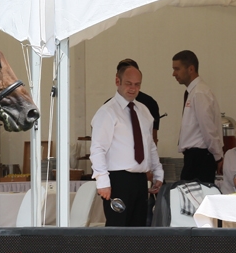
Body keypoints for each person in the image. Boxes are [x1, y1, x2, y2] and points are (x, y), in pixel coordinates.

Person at [90, 63, 164, 226]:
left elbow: (149, 145)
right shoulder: (107, 111)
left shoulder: (144, 111)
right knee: (117, 228)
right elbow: (98, 148)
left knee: (138, 228)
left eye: (137, 84)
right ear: (118, 81)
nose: (133, 88)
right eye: (128, 83)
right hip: (118, 179)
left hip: (139, 179)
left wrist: (158, 172)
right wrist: (102, 181)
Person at [172, 50, 223, 183]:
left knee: (194, 200)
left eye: (177, 69)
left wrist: (218, 157)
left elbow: (208, 128)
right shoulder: (194, 92)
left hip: (200, 157)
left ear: (191, 69)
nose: (174, 74)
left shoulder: (200, 92)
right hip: (195, 157)